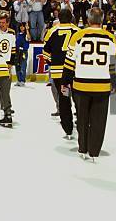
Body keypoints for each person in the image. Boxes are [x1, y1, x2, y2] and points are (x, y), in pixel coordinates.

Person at [63, 7, 116, 162]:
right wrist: (115, 82)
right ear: (102, 21)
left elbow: (69, 62)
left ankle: (83, 148)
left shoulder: (78, 36)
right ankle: (94, 151)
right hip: (103, 85)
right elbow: (114, 63)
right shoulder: (110, 38)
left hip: (81, 85)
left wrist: (65, 82)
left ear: (88, 20)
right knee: (99, 121)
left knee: (82, 118)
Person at [42, 9, 79, 138]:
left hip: (59, 74)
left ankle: (68, 129)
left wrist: (53, 62)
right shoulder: (78, 31)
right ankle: (80, 123)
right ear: (71, 18)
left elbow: (45, 53)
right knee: (78, 98)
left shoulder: (52, 31)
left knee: (64, 99)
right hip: (75, 72)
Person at [15, 22, 31, 87]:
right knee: (17, 66)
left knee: (23, 66)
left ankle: (22, 80)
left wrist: (27, 30)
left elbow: (29, 38)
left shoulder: (26, 34)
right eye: (20, 26)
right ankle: (18, 80)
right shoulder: (18, 34)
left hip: (24, 52)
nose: (21, 27)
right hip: (17, 52)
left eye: (23, 26)